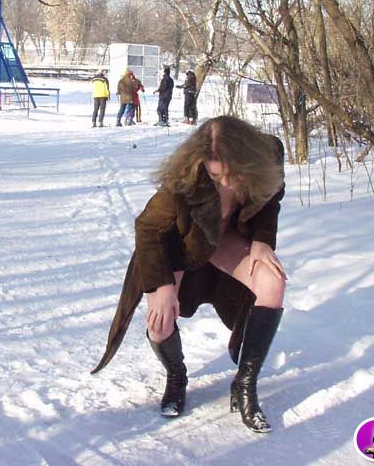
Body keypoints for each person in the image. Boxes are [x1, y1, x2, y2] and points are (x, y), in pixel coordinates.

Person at [91, 116, 286, 434]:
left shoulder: (268, 155)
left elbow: (271, 196)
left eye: (233, 174)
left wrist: (262, 240)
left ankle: (245, 385)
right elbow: (147, 227)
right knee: (159, 322)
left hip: (226, 238)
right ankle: (176, 376)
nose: (226, 183)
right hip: (182, 247)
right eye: (216, 175)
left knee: (273, 282)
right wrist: (162, 285)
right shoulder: (183, 179)